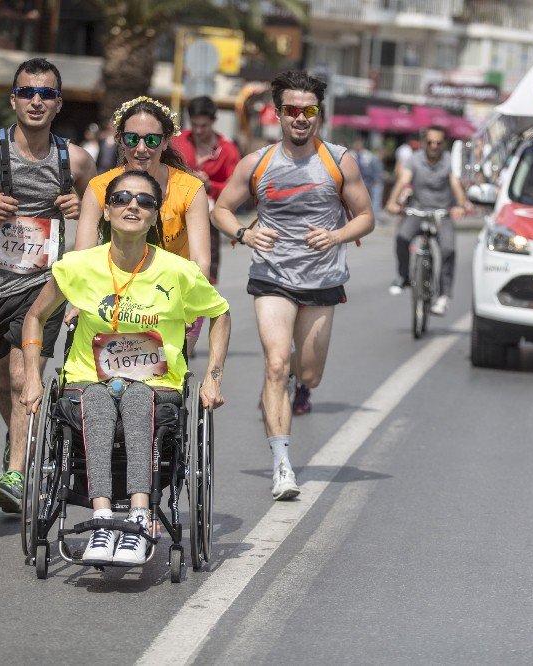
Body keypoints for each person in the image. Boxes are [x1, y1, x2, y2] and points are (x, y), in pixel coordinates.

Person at [19, 170, 230, 566]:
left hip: (156, 384)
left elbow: (220, 314)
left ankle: (139, 515)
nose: (133, 206)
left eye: (145, 201)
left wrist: (213, 378)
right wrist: (32, 377)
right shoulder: (79, 266)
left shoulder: (178, 271)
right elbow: (35, 316)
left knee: (137, 398)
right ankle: (102, 520)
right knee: (98, 400)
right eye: (121, 198)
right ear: (106, 211)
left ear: (155, 216)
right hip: (88, 381)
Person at [211, 70, 374, 500]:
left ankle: (297, 381)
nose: (300, 118)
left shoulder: (339, 161)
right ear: (278, 113)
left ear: (319, 114)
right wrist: (245, 234)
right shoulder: (257, 163)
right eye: (292, 110)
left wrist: (336, 236)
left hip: (322, 278)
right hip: (272, 276)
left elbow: (365, 217)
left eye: (309, 110)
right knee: (276, 364)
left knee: (310, 374)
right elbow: (221, 210)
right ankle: (282, 466)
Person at [0, 57, 96, 512]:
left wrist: (81, 206)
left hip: (47, 284)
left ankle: (17, 472)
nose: (36, 101)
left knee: (26, 375)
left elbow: (100, 214)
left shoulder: (75, 159)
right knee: (4, 378)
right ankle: (16, 437)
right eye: (27, 92)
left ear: (59, 103)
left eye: (46, 94)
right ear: (13, 99)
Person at [75, 96, 211, 357]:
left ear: (166, 140)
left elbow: (201, 261)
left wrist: (188, 305)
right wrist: (79, 300)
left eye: (151, 140)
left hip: (176, 297)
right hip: (114, 298)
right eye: (132, 138)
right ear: (120, 139)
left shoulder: (190, 189)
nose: (141, 148)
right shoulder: (99, 187)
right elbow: (83, 256)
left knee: (167, 377)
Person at [385, 125, 471, 316]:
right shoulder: (414, 159)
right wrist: (392, 202)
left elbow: (456, 184)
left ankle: (444, 295)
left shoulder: (449, 161)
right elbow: (403, 181)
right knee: (402, 238)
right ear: (424, 142)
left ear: (444, 144)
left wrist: (460, 205)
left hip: (442, 213)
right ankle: (404, 277)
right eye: (430, 142)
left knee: (448, 249)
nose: (434, 146)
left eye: (438, 143)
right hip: (417, 210)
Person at [171, 95, 241, 286]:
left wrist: (210, 186)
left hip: (207, 217)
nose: (198, 130)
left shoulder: (227, 149)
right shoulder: (177, 141)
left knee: (202, 276)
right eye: (194, 125)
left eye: (204, 126)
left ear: (213, 121)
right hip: (173, 212)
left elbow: (235, 190)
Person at [351, 137, 383, 214]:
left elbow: (371, 169)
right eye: (356, 144)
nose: (357, 146)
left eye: (359, 145)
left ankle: (373, 215)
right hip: (354, 181)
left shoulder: (368, 155)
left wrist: (375, 179)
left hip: (367, 181)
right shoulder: (350, 154)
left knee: (372, 198)